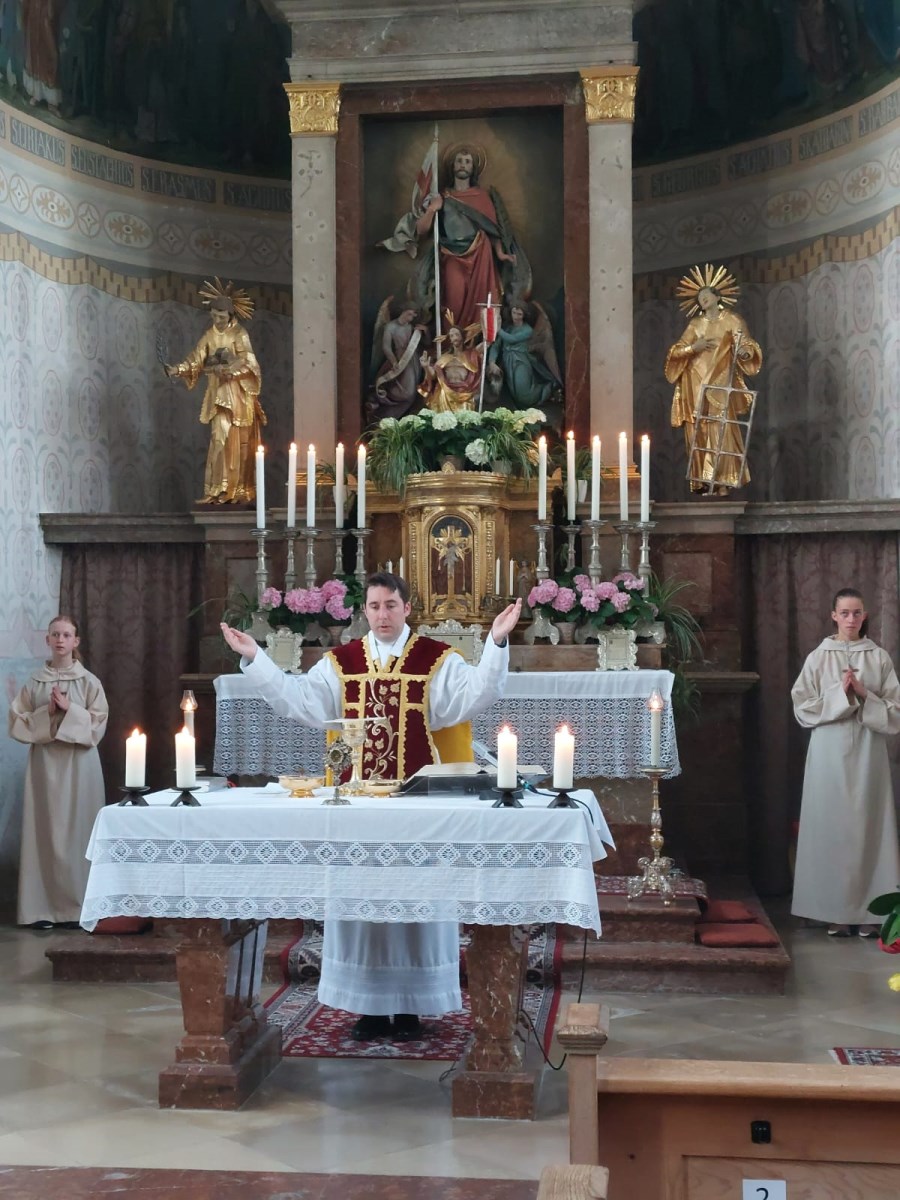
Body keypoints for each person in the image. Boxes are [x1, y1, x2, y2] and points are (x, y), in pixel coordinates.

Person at [221, 572, 522, 1042]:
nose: (382, 615)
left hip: (417, 804)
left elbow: (475, 696)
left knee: (417, 903)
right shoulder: (342, 663)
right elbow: (299, 702)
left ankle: (413, 1007)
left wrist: (497, 644)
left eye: (391, 606)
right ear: (365, 611)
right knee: (361, 905)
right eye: (375, 607)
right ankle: (367, 1006)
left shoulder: (435, 660)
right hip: (357, 803)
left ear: (407, 607)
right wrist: (255, 658)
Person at [790, 588, 900, 938]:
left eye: (857, 613)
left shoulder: (879, 656)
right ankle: (834, 911)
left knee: (870, 827)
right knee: (831, 827)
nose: (851, 619)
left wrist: (865, 693)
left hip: (869, 749)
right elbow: (802, 707)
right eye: (845, 613)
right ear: (833, 615)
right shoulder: (818, 657)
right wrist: (841, 693)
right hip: (829, 751)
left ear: (865, 616)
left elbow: (895, 710)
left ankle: (871, 912)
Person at [8, 615, 109, 929]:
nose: (61, 640)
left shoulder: (89, 681)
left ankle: (78, 907)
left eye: (67, 634)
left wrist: (70, 710)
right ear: (48, 640)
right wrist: (47, 712)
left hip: (80, 766)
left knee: (78, 830)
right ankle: (43, 908)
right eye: (55, 634)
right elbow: (17, 721)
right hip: (45, 764)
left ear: (76, 641)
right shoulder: (35, 682)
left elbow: (98, 723)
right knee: (45, 832)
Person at [380, 143, 526, 332]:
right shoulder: (442, 197)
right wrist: (433, 208)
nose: (463, 165)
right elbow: (422, 229)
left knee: (481, 302)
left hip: (480, 255)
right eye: (459, 161)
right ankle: (451, 348)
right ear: (453, 165)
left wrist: (500, 254)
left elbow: (492, 230)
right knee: (452, 302)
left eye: (467, 162)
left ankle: (477, 350)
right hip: (451, 255)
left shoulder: (481, 197)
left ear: (473, 168)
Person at [165, 278, 265, 505]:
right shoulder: (209, 335)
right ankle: (217, 490)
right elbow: (196, 359)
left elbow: (250, 362)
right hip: (218, 394)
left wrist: (231, 370)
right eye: (214, 316)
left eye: (221, 317)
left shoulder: (240, 334)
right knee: (218, 438)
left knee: (237, 442)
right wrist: (177, 369)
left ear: (230, 315)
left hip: (237, 396)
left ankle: (236, 490)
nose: (217, 320)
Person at [664, 263, 762, 494]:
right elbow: (676, 352)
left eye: (706, 295)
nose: (703, 300)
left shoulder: (732, 320)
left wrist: (745, 352)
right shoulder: (696, 324)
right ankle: (702, 479)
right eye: (699, 298)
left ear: (717, 296)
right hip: (695, 383)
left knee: (722, 429)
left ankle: (722, 480)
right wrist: (693, 348)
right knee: (699, 429)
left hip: (720, 384)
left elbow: (746, 344)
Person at [487, 301, 562, 411]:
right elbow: (496, 346)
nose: (516, 317)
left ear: (524, 315)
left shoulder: (528, 330)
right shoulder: (508, 328)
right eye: (514, 313)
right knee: (515, 394)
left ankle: (548, 388)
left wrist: (498, 330)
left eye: (519, 314)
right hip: (508, 364)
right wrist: (492, 362)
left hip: (520, 361)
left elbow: (512, 339)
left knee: (524, 394)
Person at [367, 300, 426, 421]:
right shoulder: (390, 326)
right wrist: (394, 362)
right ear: (403, 311)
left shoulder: (411, 327)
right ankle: (382, 411)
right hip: (399, 359)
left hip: (412, 361)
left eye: (413, 316)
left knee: (411, 393)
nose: (411, 318)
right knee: (406, 393)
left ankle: (394, 419)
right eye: (410, 314)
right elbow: (386, 347)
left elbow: (426, 343)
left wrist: (426, 331)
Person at [419, 318, 483, 413]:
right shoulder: (444, 357)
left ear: (463, 337)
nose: (454, 337)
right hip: (445, 393)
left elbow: (486, 344)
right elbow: (433, 376)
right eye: (452, 335)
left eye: (457, 334)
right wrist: (426, 367)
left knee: (464, 422)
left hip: (464, 394)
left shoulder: (470, 355)